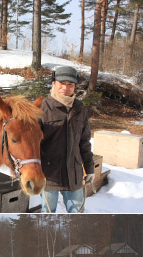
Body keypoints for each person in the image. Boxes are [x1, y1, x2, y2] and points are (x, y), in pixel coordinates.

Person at [40, 65, 95, 214]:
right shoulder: (42, 108)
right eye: (61, 83)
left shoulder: (80, 109)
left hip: (74, 174)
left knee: (77, 214)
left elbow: (84, 141)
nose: (65, 87)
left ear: (75, 86)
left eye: (70, 84)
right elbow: (32, 144)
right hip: (49, 174)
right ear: (53, 83)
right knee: (48, 214)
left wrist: (89, 168)